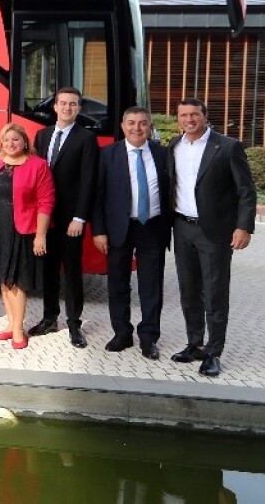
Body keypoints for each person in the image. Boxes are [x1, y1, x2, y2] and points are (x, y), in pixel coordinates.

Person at [167, 98, 257, 377]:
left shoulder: (227, 147)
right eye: (183, 115)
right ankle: (194, 344)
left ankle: (213, 352)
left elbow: (246, 191)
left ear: (205, 116)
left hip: (215, 233)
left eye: (194, 114)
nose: (189, 119)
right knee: (189, 290)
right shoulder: (174, 146)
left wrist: (244, 227)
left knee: (215, 294)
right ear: (178, 119)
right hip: (182, 228)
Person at [92, 106, 171, 360]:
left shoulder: (163, 154)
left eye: (143, 123)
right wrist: (99, 231)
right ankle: (122, 333)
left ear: (150, 127)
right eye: (132, 123)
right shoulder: (107, 155)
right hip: (119, 228)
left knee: (151, 286)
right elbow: (99, 194)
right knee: (117, 284)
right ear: (123, 126)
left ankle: (149, 337)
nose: (137, 128)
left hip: (153, 227)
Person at [29, 87, 99, 348]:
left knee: (72, 272)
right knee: (47, 270)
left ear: (79, 108)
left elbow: (88, 182)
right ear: (54, 107)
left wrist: (80, 217)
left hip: (71, 220)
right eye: (63, 103)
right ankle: (49, 319)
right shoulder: (42, 135)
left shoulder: (86, 139)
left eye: (73, 104)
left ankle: (74, 324)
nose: (67, 108)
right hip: (45, 218)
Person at [0, 123, 54, 349]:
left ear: (25, 142)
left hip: (21, 228)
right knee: (3, 278)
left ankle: (19, 330)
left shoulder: (38, 165)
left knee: (16, 281)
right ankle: (11, 325)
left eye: (15, 140)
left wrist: (41, 235)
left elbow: (46, 202)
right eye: (6, 140)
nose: (11, 144)